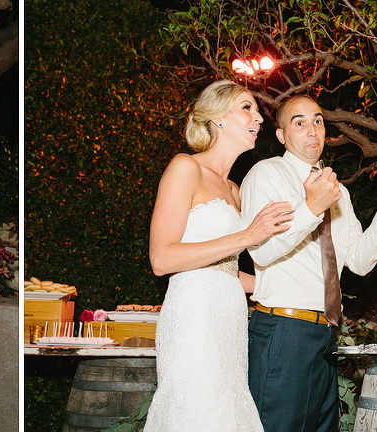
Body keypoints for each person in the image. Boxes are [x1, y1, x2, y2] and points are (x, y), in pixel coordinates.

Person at [240, 95, 377, 432]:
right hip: (283, 332)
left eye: (317, 120)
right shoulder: (267, 174)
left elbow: (358, 263)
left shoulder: (338, 192)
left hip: (326, 333)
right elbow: (262, 250)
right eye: (299, 122)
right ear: (281, 135)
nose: (312, 130)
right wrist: (312, 206)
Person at [143, 80, 296, 431]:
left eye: (257, 110)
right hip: (194, 317)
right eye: (247, 107)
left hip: (229, 319)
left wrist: (282, 287)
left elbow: (225, 269)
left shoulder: (235, 190)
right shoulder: (186, 168)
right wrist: (248, 235)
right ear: (217, 119)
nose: (258, 117)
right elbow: (161, 258)